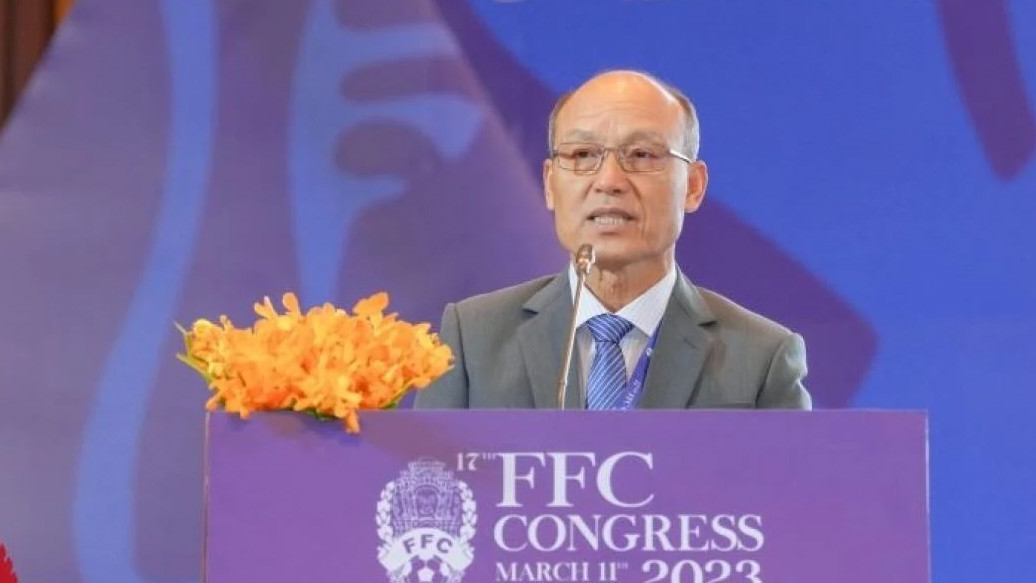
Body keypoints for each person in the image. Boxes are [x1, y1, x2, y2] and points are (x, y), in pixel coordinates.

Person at [415, 70, 811, 410]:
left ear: (693, 186)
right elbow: (425, 471)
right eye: (583, 154)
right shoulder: (473, 339)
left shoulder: (761, 358)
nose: (608, 181)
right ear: (550, 184)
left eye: (641, 155)